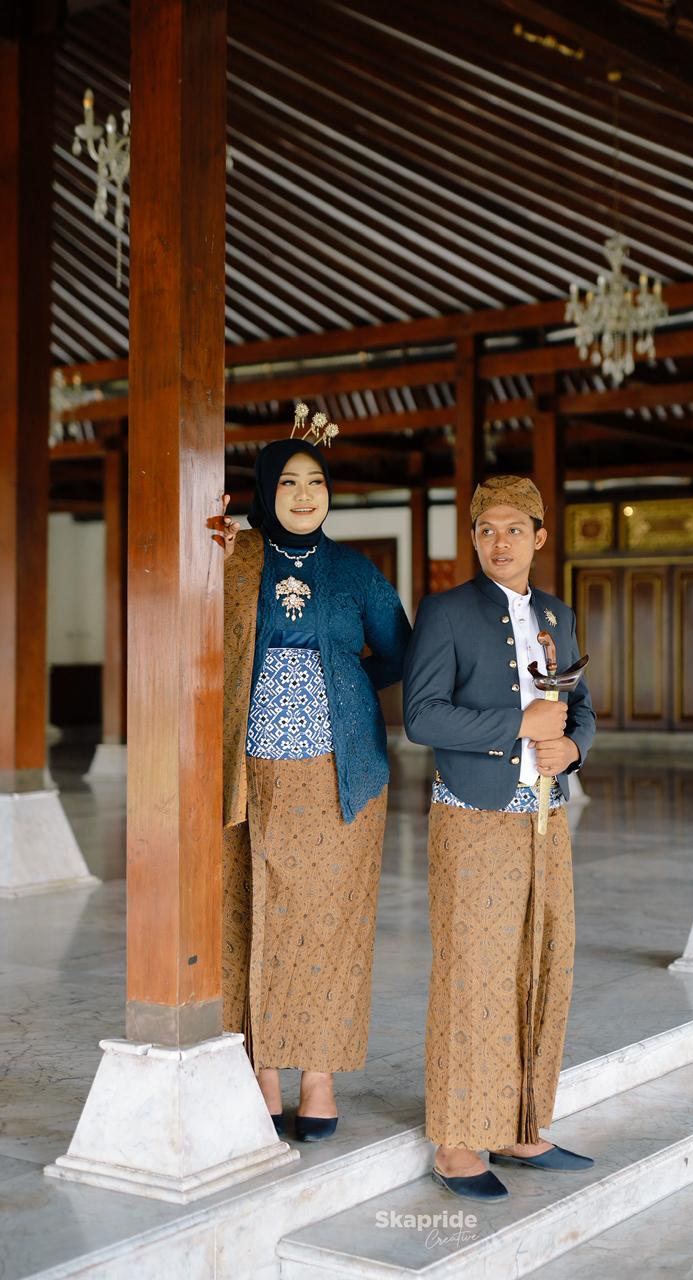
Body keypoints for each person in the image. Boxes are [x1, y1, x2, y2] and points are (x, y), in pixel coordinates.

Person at [213, 411, 411, 1142]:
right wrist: (208, 548)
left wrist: (343, 682)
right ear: (265, 491)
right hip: (247, 768)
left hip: (339, 770)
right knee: (253, 910)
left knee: (330, 920)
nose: (304, 494)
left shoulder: (355, 572)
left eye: (316, 482)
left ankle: (318, 1076)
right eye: (288, 482)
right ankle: (262, 1069)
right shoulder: (233, 559)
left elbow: (399, 653)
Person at [403, 475, 596, 1200]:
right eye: (486, 529)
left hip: (545, 815)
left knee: (544, 960)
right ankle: (457, 1141)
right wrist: (518, 725)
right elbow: (422, 716)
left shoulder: (557, 613)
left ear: (539, 537)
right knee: (472, 970)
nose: (499, 541)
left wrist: (572, 749)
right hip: (473, 812)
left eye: (514, 528)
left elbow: (582, 709)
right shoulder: (447, 612)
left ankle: (520, 1124)